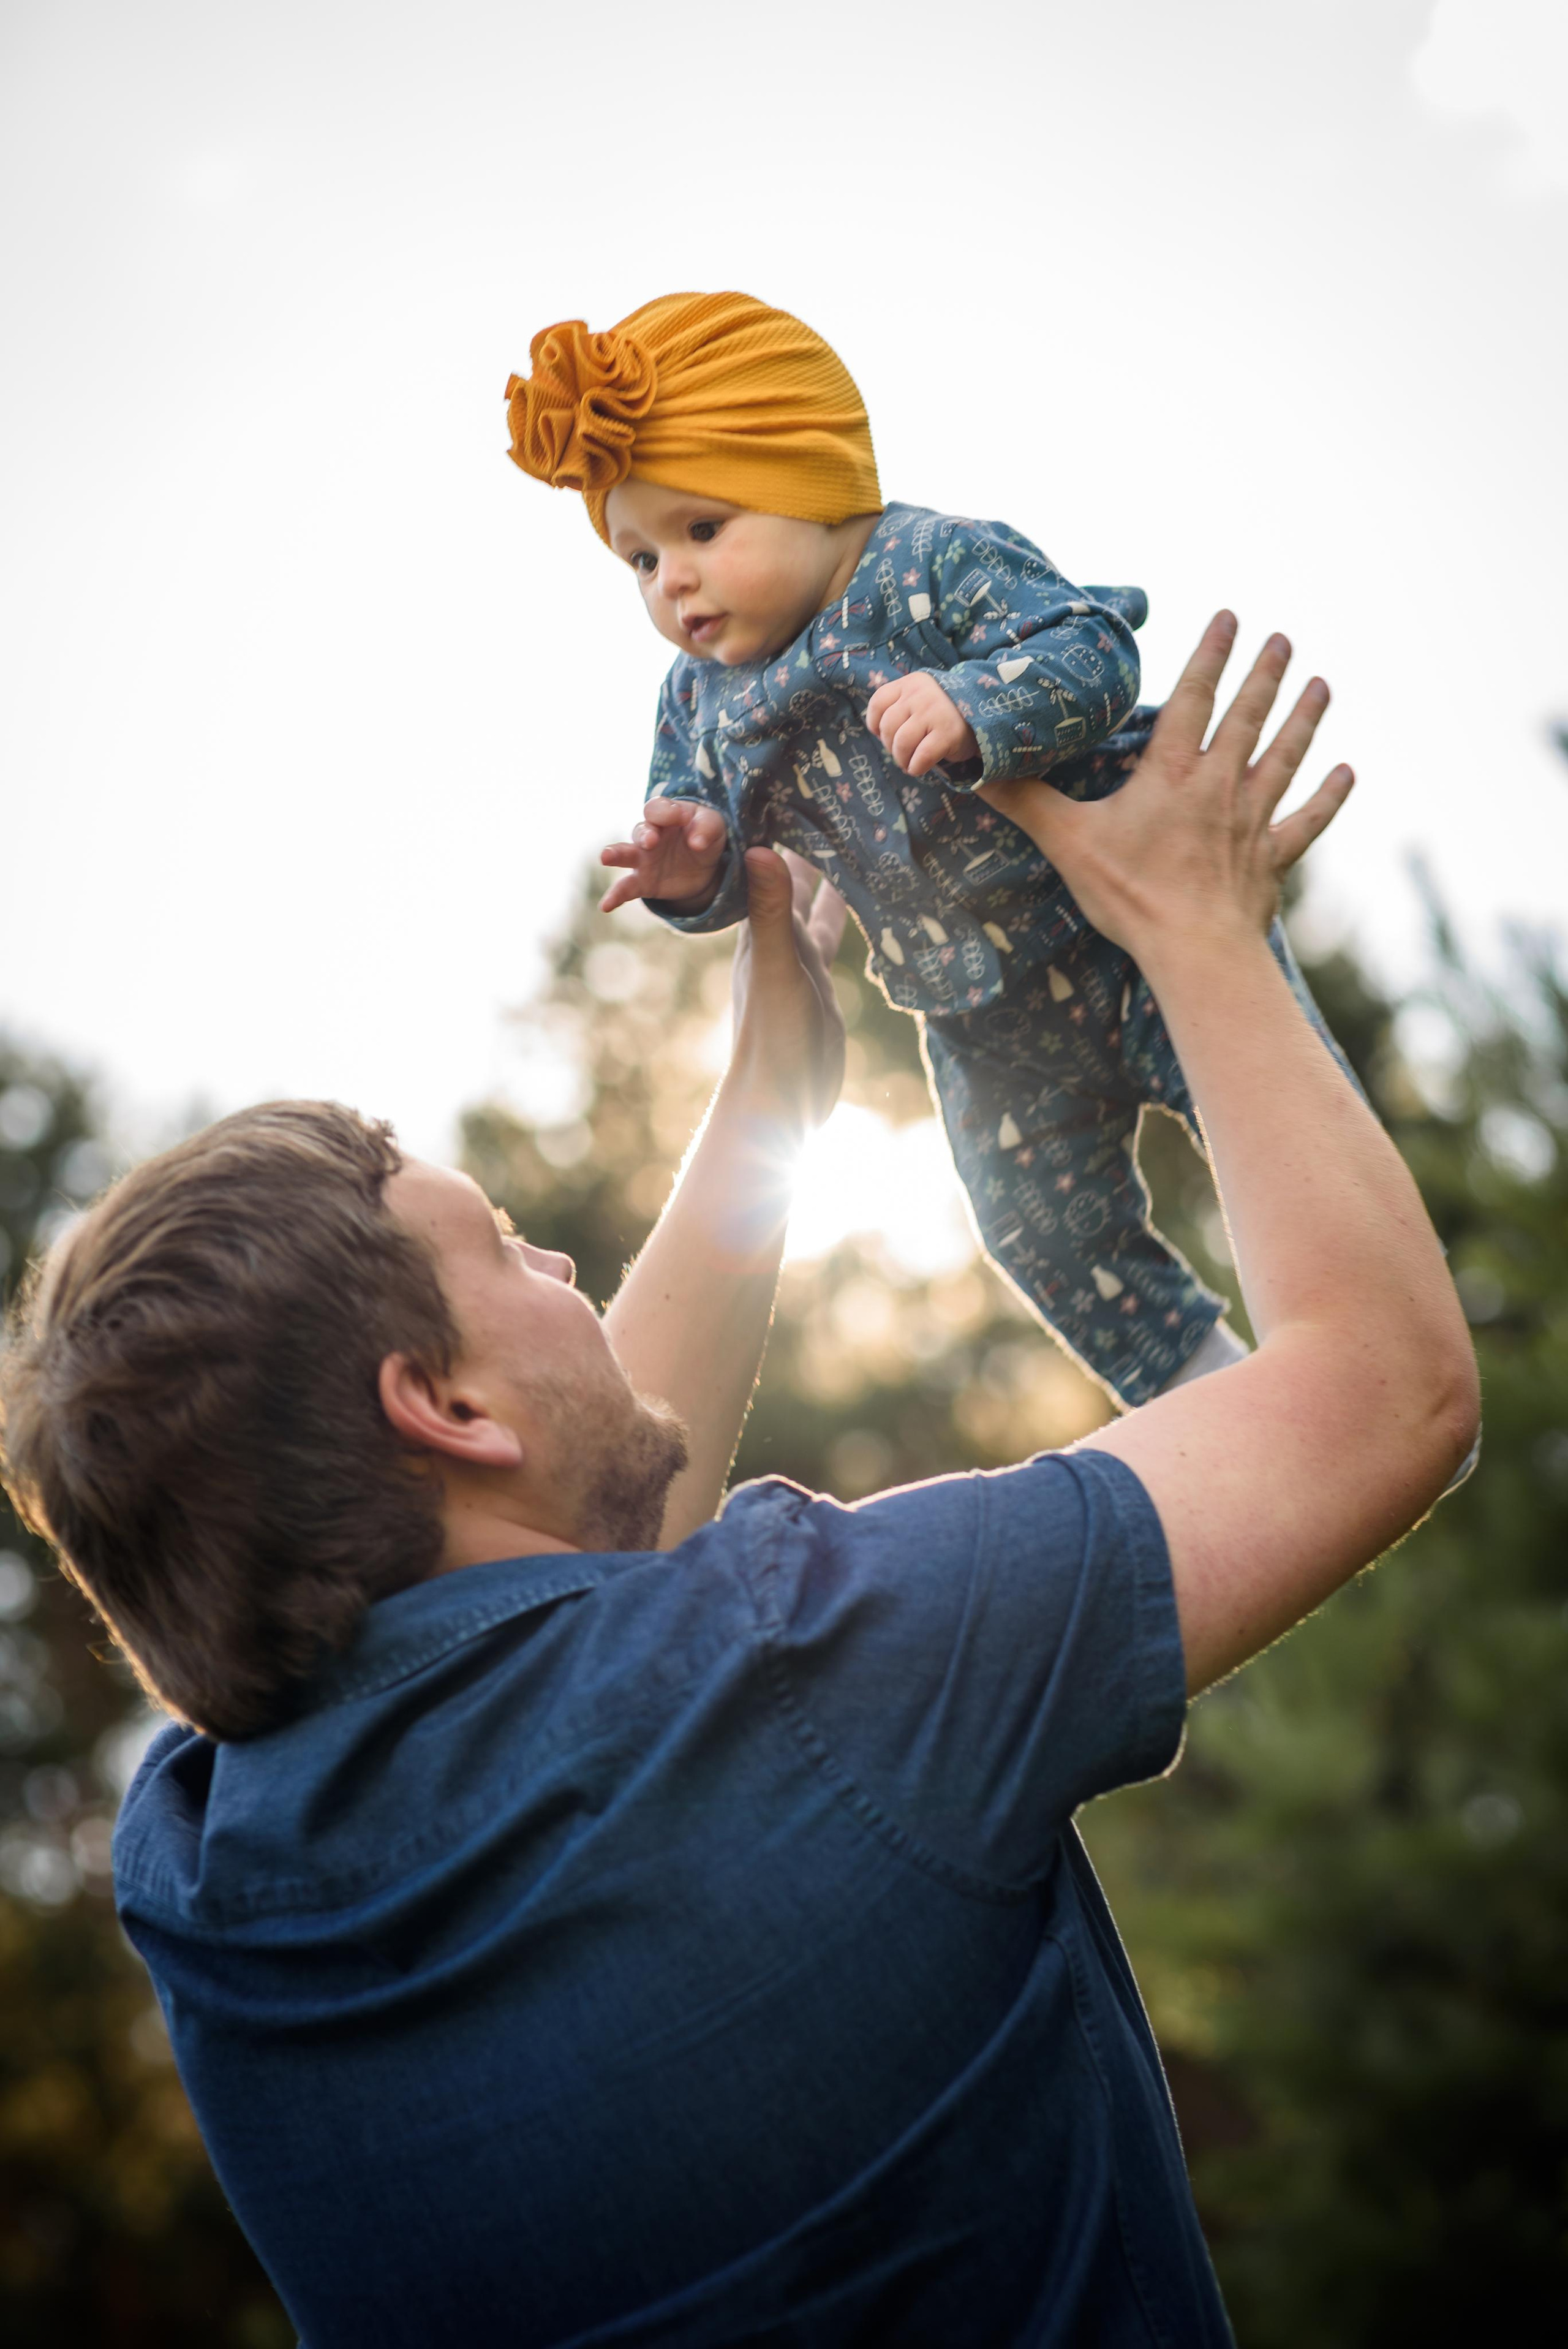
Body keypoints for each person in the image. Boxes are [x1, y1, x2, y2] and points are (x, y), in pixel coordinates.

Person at [0, 619, 1477, 2347]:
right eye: (512, 1255)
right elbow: (1384, 1389)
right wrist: (1195, 923)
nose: (564, 1264)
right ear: (441, 1403)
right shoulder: (816, 1665)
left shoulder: (201, 1877)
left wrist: (781, 1073)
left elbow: (580, 1564)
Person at [505, 291, 1351, 1409]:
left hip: (1125, 933)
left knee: (1278, 1127)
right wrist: (690, 867)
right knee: (1032, 1223)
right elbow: (705, 827)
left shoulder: (925, 561)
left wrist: (977, 700)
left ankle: (1357, 1340)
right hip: (975, 1011)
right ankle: (1212, 1390)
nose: (673, 581)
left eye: (702, 528)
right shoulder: (699, 697)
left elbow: (1091, 647)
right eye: (640, 558)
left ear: (807, 481)